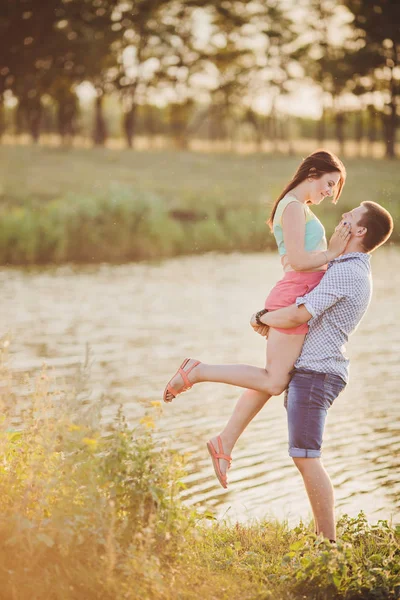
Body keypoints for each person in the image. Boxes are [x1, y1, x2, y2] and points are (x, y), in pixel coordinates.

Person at [166, 200, 394, 542]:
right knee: (274, 386)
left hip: (318, 375)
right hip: (311, 369)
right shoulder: (344, 263)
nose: (341, 219)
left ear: (359, 231)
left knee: (306, 458)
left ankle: (328, 545)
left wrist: (263, 318)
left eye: (349, 218)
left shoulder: (349, 271)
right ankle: (223, 439)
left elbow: (298, 316)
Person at [163, 149, 349, 487]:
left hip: (298, 295)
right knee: (274, 380)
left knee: (272, 378)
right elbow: (297, 259)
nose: (329, 193)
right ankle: (197, 371)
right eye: (328, 183)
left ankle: (224, 442)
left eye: (334, 187)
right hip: (294, 294)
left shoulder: (298, 207)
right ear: (313, 172)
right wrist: (334, 252)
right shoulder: (293, 207)